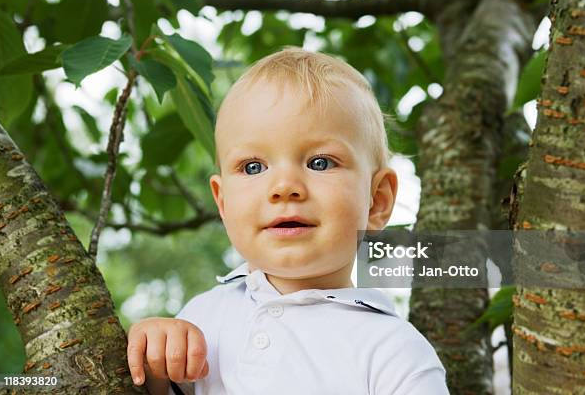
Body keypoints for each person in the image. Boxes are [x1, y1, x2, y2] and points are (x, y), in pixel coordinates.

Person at [127, 47, 449, 395]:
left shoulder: (394, 352)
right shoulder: (201, 318)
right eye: (253, 167)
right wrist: (154, 362)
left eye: (320, 162)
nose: (284, 188)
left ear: (377, 201)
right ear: (223, 201)